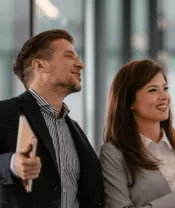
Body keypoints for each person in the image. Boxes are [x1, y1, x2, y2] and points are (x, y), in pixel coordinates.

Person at [0, 29, 105, 208]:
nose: (80, 64)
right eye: (69, 56)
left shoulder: (74, 129)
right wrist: (11, 164)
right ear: (40, 65)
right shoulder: (4, 112)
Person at [99, 59, 175, 208]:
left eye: (165, 88)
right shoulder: (114, 154)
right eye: (152, 90)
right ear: (130, 101)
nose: (164, 96)